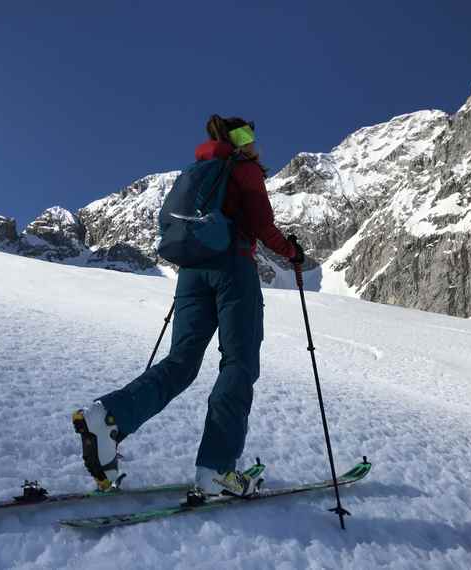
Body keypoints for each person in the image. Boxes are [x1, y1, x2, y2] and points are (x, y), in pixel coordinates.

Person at [72, 115, 305, 498]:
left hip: (191, 274)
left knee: (180, 363)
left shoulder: (198, 170)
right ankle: (216, 468)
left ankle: (108, 417)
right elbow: (263, 227)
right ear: (236, 139)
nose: (254, 141)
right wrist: (292, 252)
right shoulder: (244, 170)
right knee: (239, 363)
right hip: (232, 270)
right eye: (247, 134)